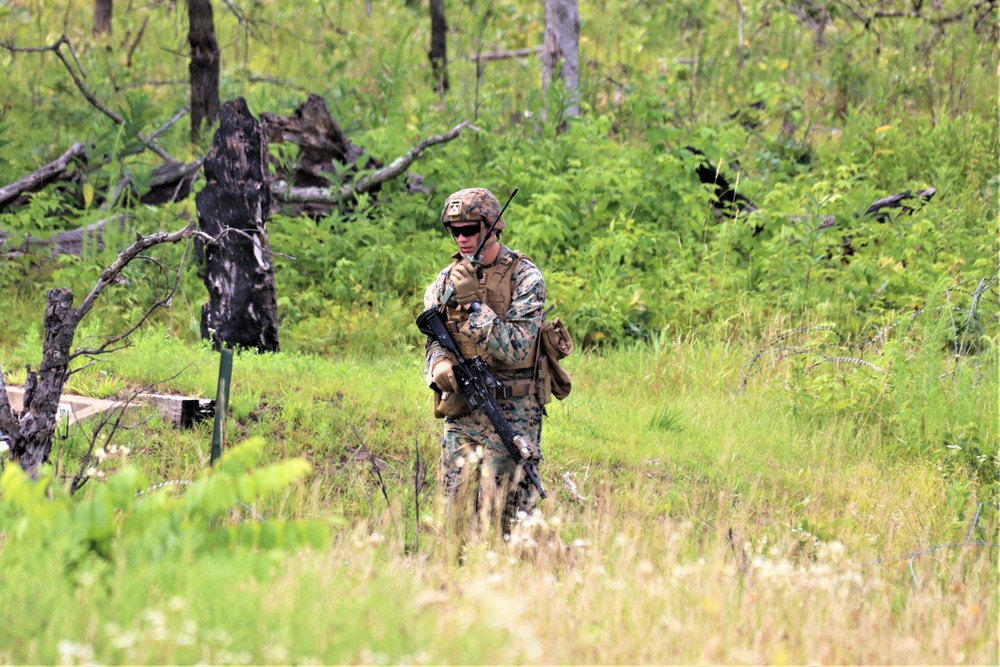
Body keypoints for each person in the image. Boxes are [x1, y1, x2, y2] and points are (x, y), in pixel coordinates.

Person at [422, 187, 547, 539]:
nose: (462, 238)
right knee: (455, 516)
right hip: (463, 411)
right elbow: (434, 335)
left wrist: (476, 306)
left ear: (492, 226)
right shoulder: (446, 279)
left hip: (512, 410)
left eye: (470, 229)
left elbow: (518, 348)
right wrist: (438, 365)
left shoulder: (525, 278)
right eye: (454, 230)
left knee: (507, 521)